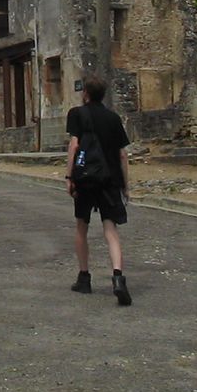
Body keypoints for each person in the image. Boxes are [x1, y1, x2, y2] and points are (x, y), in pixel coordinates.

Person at [65, 76, 133, 305]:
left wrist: (69, 176)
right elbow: (123, 154)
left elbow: (74, 145)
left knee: (81, 227)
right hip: (109, 179)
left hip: (85, 179)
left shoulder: (77, 114)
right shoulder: (113, 118)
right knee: (110, 229)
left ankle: (84, 277)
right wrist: (126, 185)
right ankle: (118, 277)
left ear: (85, 93)